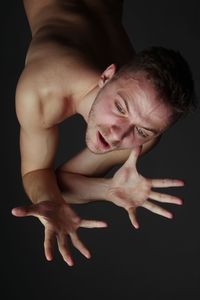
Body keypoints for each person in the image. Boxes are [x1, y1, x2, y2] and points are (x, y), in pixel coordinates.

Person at [12, 0, 195, 266]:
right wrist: (49, 193)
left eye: (142, 130)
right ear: (107, 75)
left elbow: (57, 183)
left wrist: (107, 190)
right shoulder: (42, 90)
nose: (118, 135)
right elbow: (34, 174)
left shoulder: (143, 138)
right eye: (120, 107)